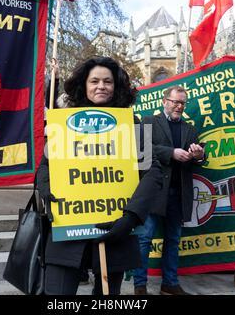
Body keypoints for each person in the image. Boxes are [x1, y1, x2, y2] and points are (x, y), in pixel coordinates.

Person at [36, 56, 150, 295]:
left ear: (116, 86)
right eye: (94, 81)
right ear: (84, 85)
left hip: (113, 233)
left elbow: (152, 174)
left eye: (107, 82)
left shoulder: (133, 123)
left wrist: (129, 218)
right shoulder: (65, 121)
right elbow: (47, 165)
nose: (101, 86)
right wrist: (46, 186)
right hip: (67, 233)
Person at [132, 85, 205, 295]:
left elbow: (198, 161)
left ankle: (170, 283)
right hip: (153, 193)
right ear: (164, 102)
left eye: (183, 103)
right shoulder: (148, 121)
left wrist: (198, 155)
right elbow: (140, 151)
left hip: (179, 194)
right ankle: (139, 285)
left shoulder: (190, 129)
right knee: (144, 239)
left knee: (173, 241)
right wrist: (171, 153)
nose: (179, 106)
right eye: (175, 102)